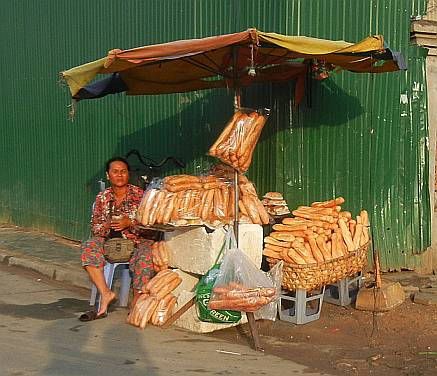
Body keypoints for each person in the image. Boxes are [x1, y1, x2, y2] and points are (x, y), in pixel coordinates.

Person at [79, 157, 155, 320]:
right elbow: (95, 229)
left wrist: (130, 223)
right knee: (88, 247)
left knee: (145, 256)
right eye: (115, 172)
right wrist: (106, 225)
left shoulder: (140, 196)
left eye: (123, 172)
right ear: (108, 175)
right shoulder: (102, 198)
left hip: (136, 241)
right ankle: (106, 293)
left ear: (128, 174)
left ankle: (136, 302)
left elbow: (151, 228)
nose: (119, 175)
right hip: (110, 243)